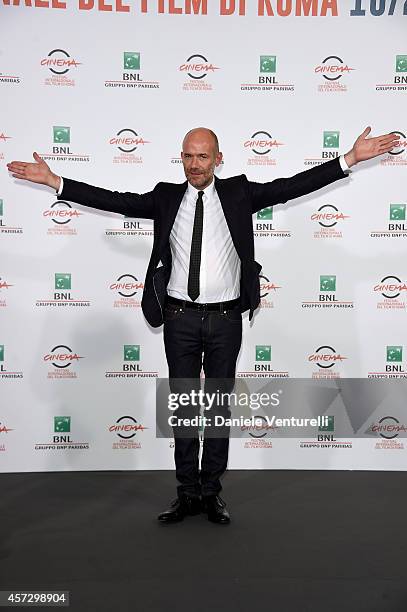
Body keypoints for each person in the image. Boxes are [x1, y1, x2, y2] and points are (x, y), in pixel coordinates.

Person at [7, 127, 399, 524]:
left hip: (227, 319)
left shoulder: (239, 193)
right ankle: (186, 493)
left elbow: (290, 186)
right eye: (188, 157)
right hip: (179, 318)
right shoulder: (165, 197)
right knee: (183, 408)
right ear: (181, 157)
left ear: (218, 158)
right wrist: (56, 181)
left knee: (215, 410)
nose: (195, 164)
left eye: (203, 157)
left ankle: (211, 493)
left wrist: (348, 158)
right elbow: (115, 201)